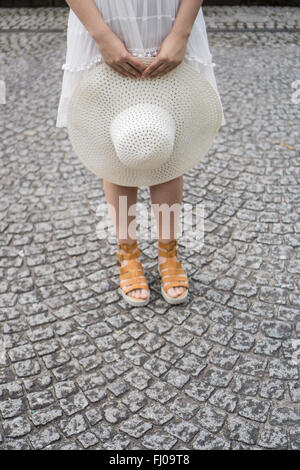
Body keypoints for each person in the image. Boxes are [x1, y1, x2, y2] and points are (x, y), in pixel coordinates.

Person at [56, 0, 225, 307]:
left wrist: (181, 32)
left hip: (168, 16)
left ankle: (168, 250)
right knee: (118, 144)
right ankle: (127, 251)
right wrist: (102, 36)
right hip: (106, 16)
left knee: (165, 140)